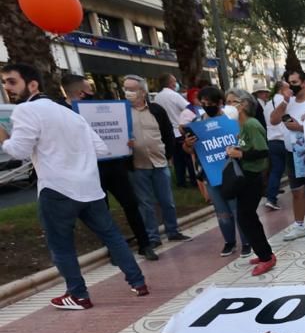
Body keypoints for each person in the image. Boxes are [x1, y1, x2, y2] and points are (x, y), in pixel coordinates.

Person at [0, 63, 149, 309]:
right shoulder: (70, 113)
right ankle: (138, 282)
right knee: (112, 235)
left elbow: (19, 150)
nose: (7, 87)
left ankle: (78, 295)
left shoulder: (25, 111)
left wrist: (5, 138)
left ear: (33, 84)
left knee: (61, 245)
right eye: (4, 82)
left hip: (57, 190)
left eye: (11, 81)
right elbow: (101, 148)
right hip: (89, 187)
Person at [60, 74, 157, 261]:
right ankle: (115, 250)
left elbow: (117, 127)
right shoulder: (61, 111)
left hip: (114, 164)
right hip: (90, 168)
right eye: (89, 89)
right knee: (101, 210)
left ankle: (144, 244)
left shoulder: (100, 107)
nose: (91, 92)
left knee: (130, 204)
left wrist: (125, 140)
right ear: (80, 93)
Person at [122, 74, 191, 248]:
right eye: (126, 89)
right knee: (145, 203)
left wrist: (167, 155)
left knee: (167, 200)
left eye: (132, 89)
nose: (128, 92)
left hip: (159, 162)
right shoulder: (121, 112)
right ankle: (153, 237)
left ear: (143, 91)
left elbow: (168, 134)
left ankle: (172, 230)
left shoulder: (157, 110)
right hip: (137, 165)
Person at [184, 86, 249, 257]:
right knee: (222, 213)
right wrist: (188, 144)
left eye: (211, 103)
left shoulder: (231, 120)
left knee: (237, 209)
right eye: (203, 103)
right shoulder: (197, 124)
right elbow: (190, 150)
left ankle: (247, 242)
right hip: (210, 174)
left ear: (219, 103)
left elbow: (244, 142)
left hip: (232, 172)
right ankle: (229, 242)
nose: (207, 106)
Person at [269, 68, 305, 242]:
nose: (292, 86)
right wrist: (285, 102)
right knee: (297, 191)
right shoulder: (288, 102)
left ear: (304, 82)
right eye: (289, 84)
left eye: (295, 83)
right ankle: (299, 225)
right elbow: (273, 120)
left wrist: (301, 128)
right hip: (292, 152)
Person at [223, 89, 277, 276]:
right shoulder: (240, 125)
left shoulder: (252, 124)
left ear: (244, 104)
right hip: (245, 176)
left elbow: (263, 151)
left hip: (253, 177)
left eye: (232, 102)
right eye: (227, 101)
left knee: (246, 217)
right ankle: (264, 252)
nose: (228, 105)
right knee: (247, 217)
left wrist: (241, 154)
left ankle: (266, 256)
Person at [152, 73, 196, 188]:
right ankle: (194, 181)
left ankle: (181, 182)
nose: (176, 83)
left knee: (177, 161)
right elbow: (189, 108)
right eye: (175, 81)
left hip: (168, 133)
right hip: (180, 131)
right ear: (170, 83)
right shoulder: (174, 95)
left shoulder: (157, 97)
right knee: (188, 159)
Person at [262, 81, 289, 210]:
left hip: (272, 141)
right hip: (285, 139)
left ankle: (271, 198)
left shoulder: (267, 104)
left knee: (276, 171)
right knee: (294, 169)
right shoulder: (285, 102)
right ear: (282, 89)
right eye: (288, 87)